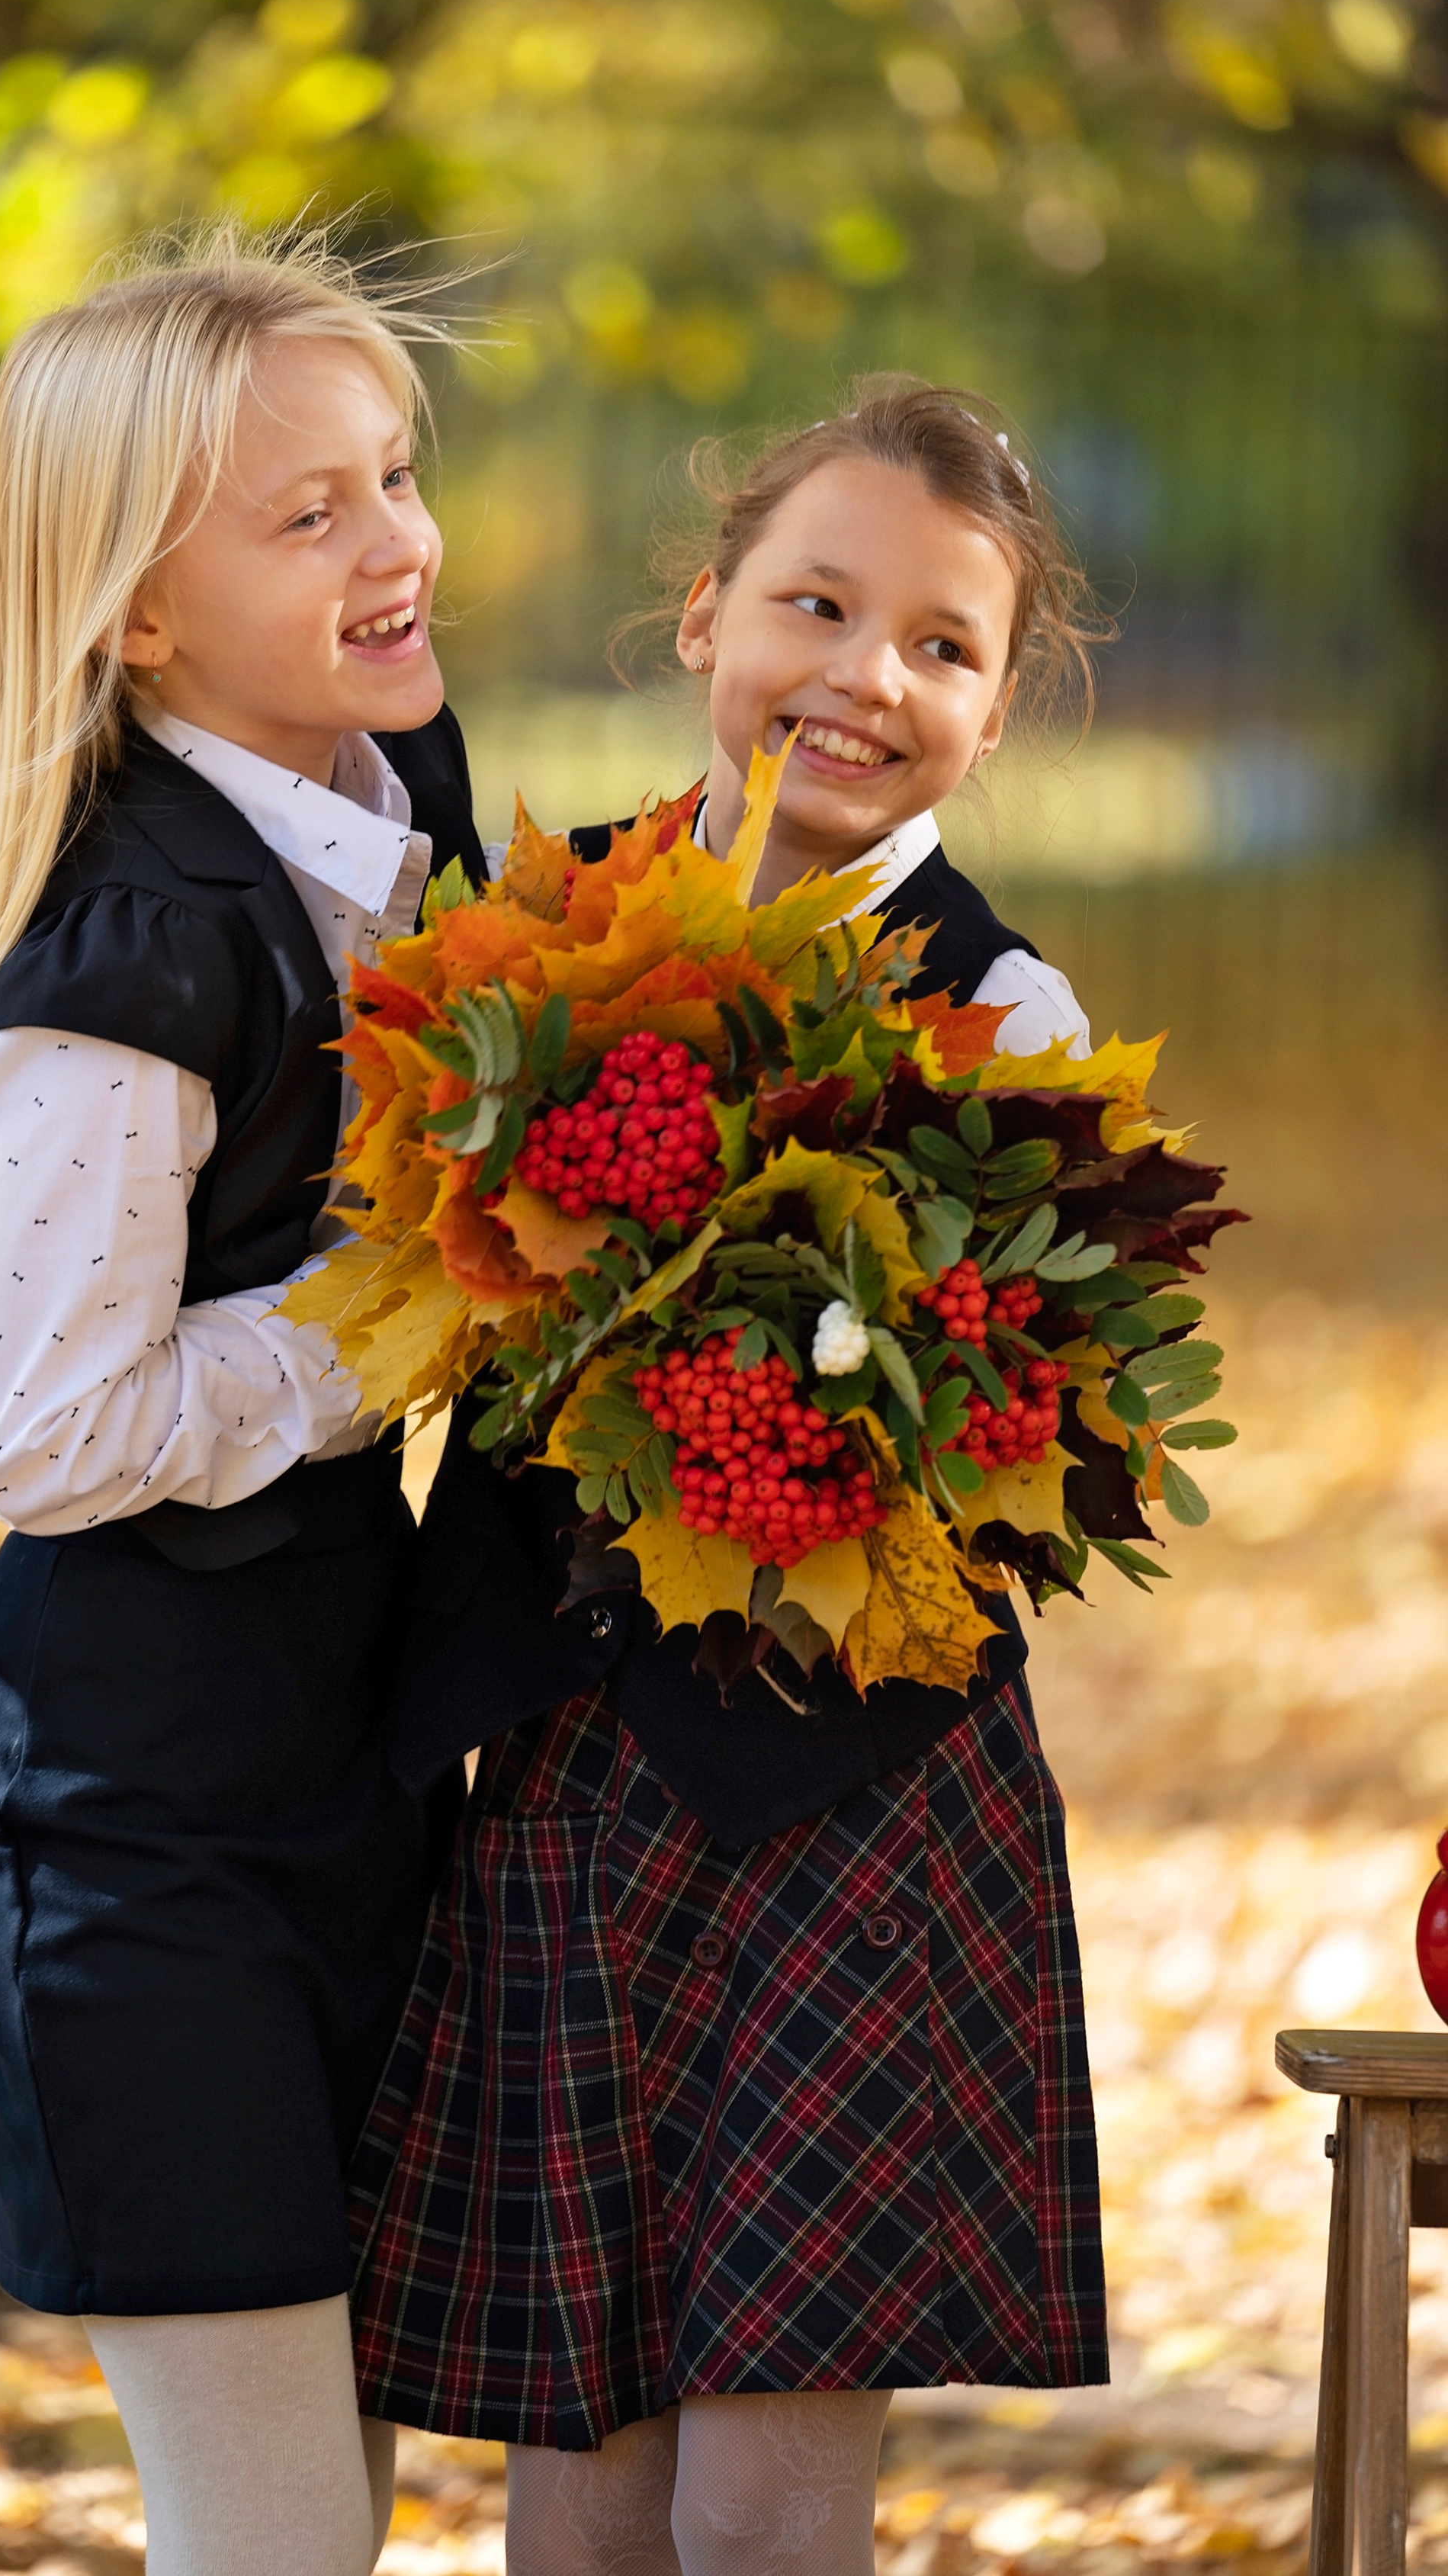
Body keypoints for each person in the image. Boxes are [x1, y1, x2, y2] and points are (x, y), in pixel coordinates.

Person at [349, 378, 1111, 2576]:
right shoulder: (528, 940)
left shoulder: (1007, 1014)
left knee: (771, 2477)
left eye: (943, 646)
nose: (866, 677)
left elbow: (1028, 1434)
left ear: (994, 708)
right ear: (705, 617)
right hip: (569, 1764)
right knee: (573, 2452)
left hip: (853, 1787)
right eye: (818, 603)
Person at [0, 227, 483, 2576]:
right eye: (308, 514)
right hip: (140, 1836)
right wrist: (388, 1326)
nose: (394, 543)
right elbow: (40, 1434)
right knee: (268, 2539)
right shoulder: (131, 947)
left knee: (331, 2511)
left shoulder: (393, 811)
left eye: (394, 476)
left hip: (347, 1774)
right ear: (138, 619)